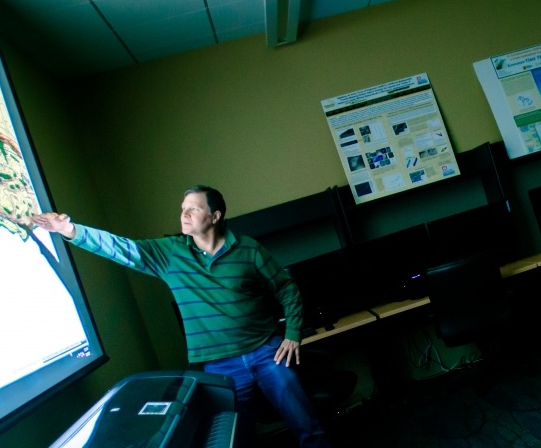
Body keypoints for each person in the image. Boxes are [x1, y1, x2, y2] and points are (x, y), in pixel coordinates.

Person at [30, 185, 329, 448]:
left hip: (266, 352)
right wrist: (70, 231)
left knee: (306, 425)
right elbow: (121, 248)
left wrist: (292, 333)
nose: (184, 215)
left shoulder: (248, 250)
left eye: (193, 209)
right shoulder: (170, 253)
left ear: (215, 216)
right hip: (219, 364)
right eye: (182, 209)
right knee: (238, 439)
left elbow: (286, 288)